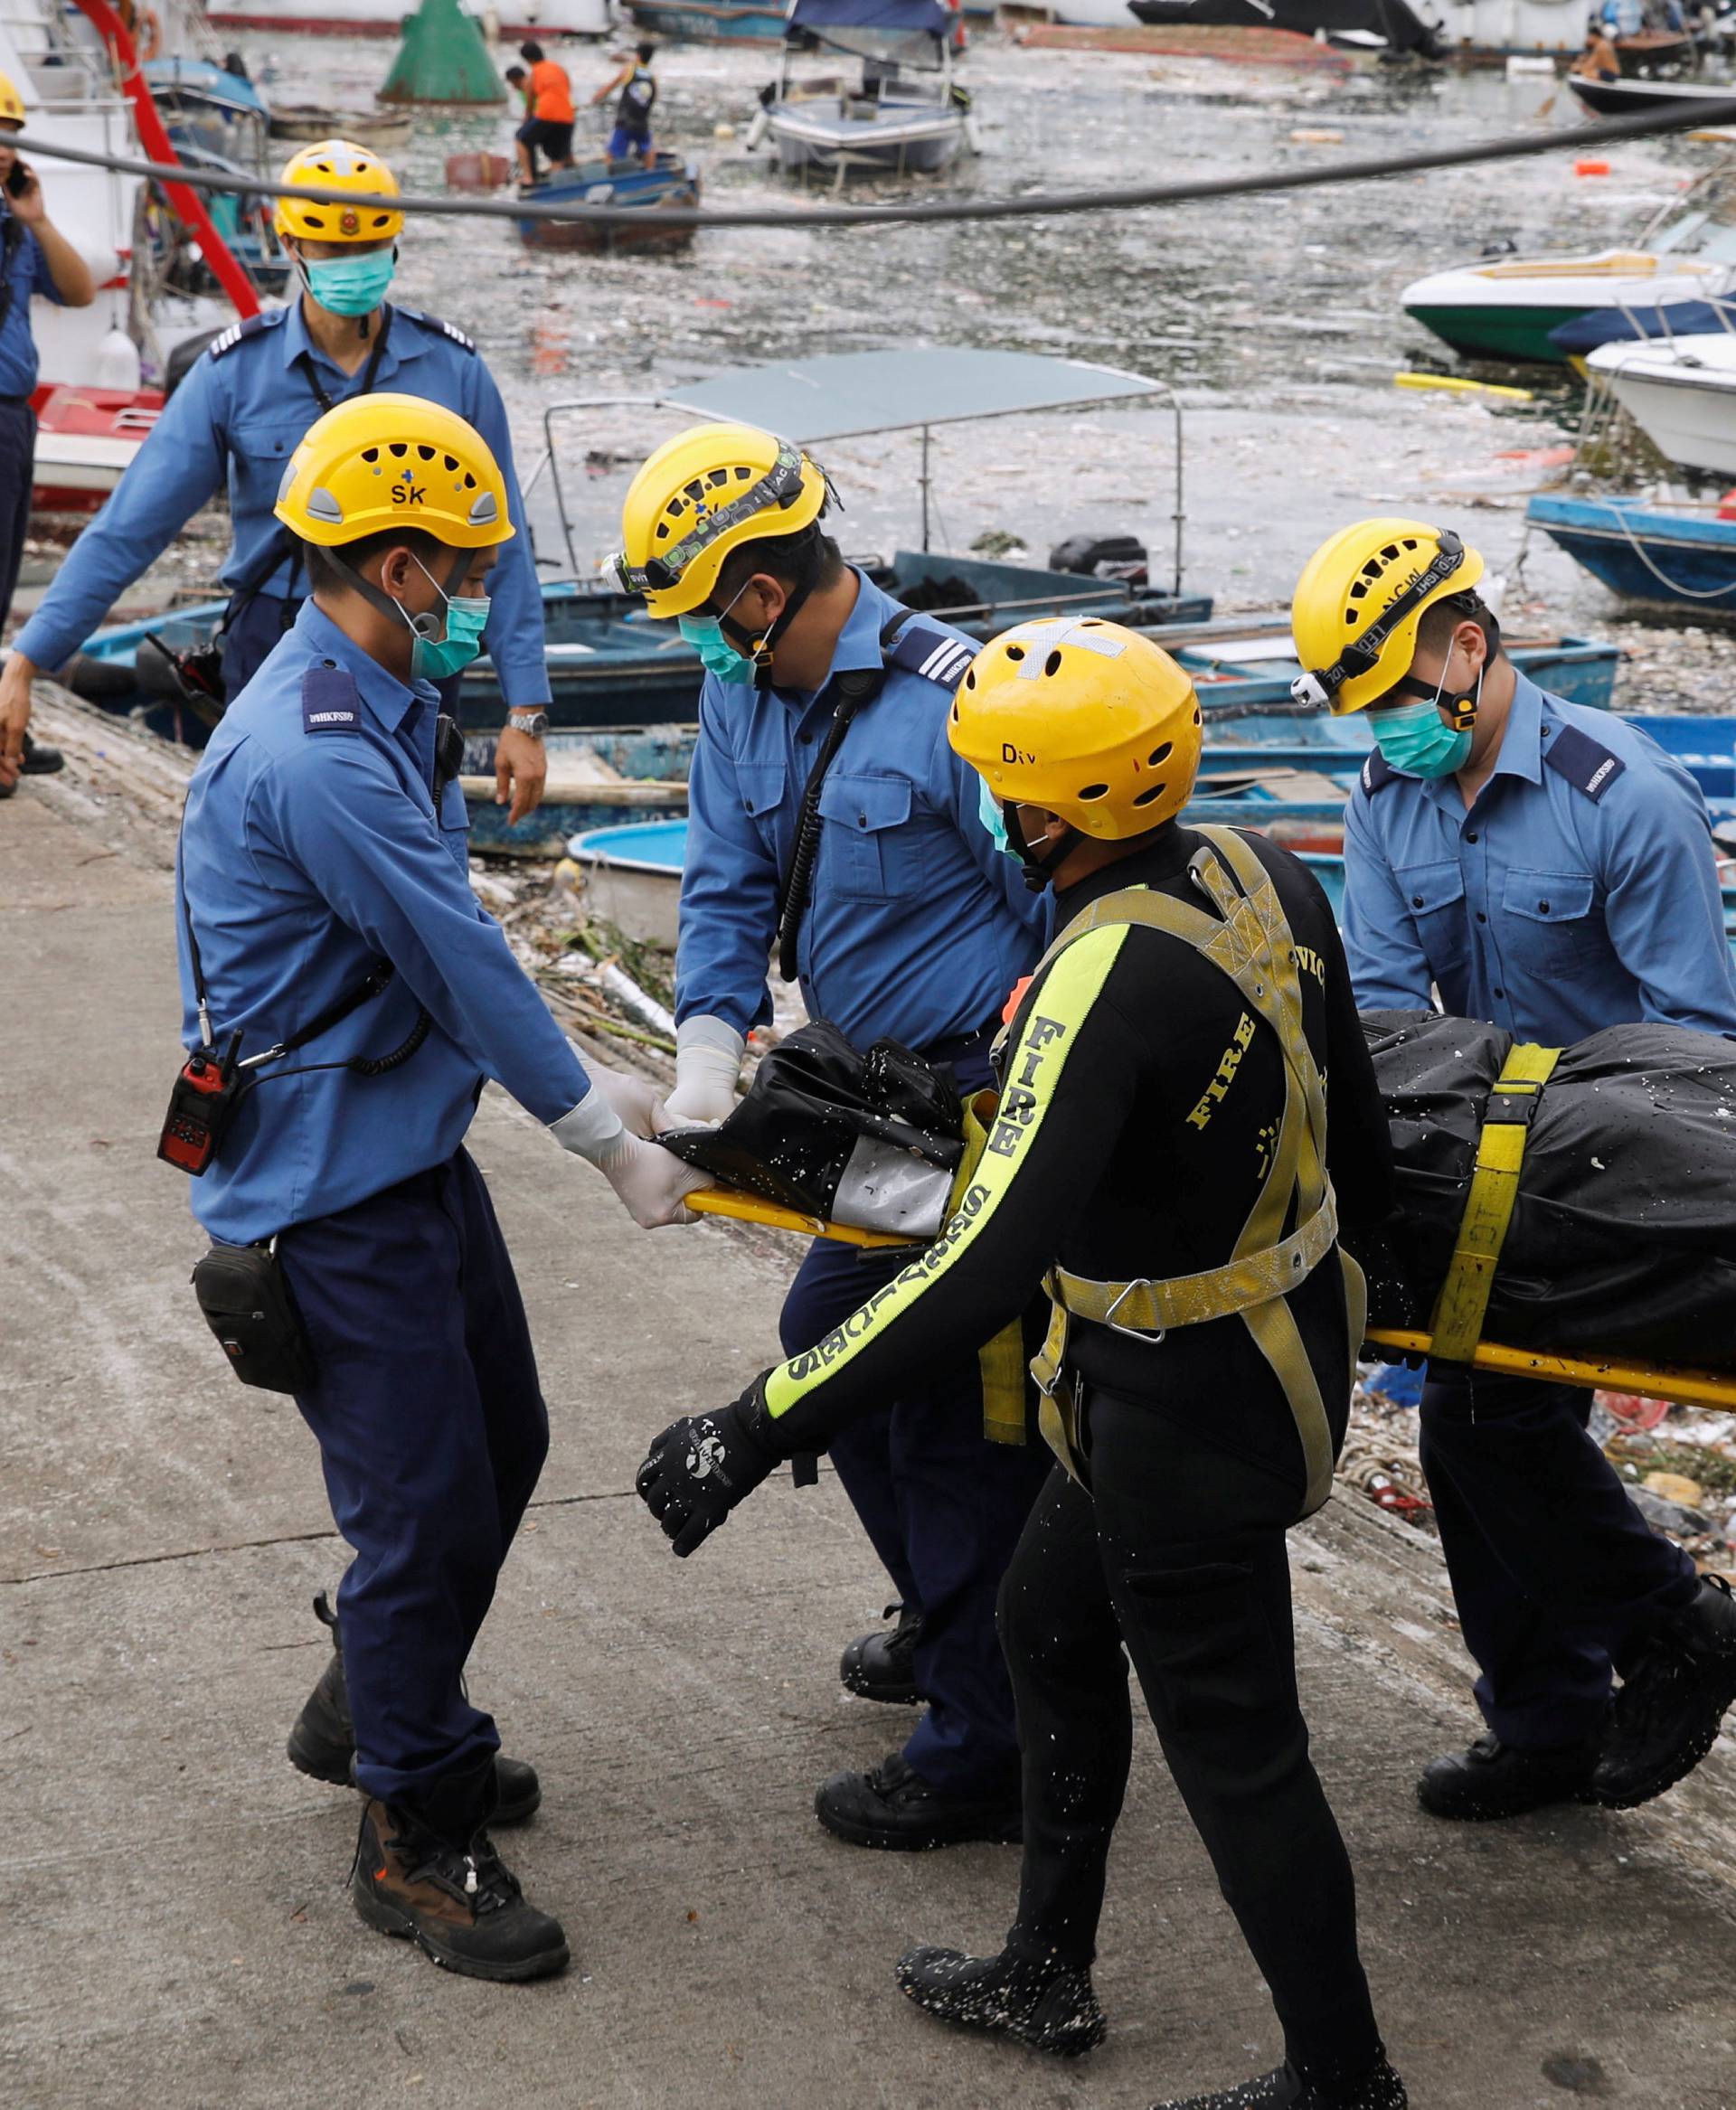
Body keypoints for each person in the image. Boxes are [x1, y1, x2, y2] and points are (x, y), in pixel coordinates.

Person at [636, 617, 1410, 2110]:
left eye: (995, 776)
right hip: (1271, 1346)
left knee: (1241, 1747)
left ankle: (1342, 2074)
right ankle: (1046, 1964)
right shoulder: (1261, 868)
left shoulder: (1096, 973)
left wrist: (752, 1424)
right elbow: (1356, 1131)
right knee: (1045, 1620)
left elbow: (975, 1268)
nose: (983, 797)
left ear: (1051, 811)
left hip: (1188, 1407)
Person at [176, 393, 705, 1982]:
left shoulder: (376, 687)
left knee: (506, 1441)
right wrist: (604, 1133)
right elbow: (453, 949)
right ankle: (409, 1826)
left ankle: (380, 1700)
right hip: (335, 1183)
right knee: (418, 1509)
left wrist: (578, 1080)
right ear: (397, 563)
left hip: (399, 1143)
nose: (483, 594)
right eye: (467, 568)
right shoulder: (320, 748)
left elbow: (439, 953)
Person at [611, 423, 1052, 1850]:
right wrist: (699, 1055)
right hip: (863, 1099)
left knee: (945, 1409)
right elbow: (730, 881)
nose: (708, 646)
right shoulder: (739, 692)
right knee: (856, 1375)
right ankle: (949, 1626)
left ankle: (983, 1742)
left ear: (761, 588)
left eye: (708, 615)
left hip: (979, 1106)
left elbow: (1062, 917)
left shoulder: (959, 705)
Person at [1295, 516, 1736, 1821]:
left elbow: (1700, 1055)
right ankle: (1550, 1722)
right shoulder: (1384, 799)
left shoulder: (1629, 801)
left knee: (1484, 1426)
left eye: (1395, 700)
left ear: (1470, 649)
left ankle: (1671, 1626)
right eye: (1362, 712)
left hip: (1606, 1186)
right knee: (1470, 1432)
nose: (1385, 733)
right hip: (1455, 1173)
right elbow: (1381, 1009)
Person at [0, 140, 552, 825]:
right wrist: (28, 660)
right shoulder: (235, 372)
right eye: (331, 251)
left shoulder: (454, 371)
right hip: (277, 640)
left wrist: (526, 711)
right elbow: (130, 528)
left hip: (417, 640)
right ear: (291, 245)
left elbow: (506, 547)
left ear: (395, 245)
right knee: (269, 835)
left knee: (417, 836)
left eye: (370, 247)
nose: (353, 264)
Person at [0, 67, 94, 798]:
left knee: (3, 578)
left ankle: (5, 723)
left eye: (9, 137)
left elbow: (79, 288)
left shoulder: (14, 226)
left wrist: (34, 218)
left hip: (10, 415)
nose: (3, 149)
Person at [514, 41, 575, 183]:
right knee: (557, 158)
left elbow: (530, 104)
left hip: (546, 115)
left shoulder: (535, 73)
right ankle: (560, 187)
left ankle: (528, 177)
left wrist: (526, 120)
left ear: (528, 59)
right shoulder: (559, 69)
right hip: (567, 117)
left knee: (521, 140)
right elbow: (568, 89)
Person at [594, 41, 657, 167]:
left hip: (625, 122)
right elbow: (654, 98)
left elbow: (612, 85)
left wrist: (597, 97)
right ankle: (651, 173)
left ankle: (609, 180)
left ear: (638, 55)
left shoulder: (630, 70)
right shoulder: (652, 77)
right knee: (648, 149)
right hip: (642, 122)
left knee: (612, 152)